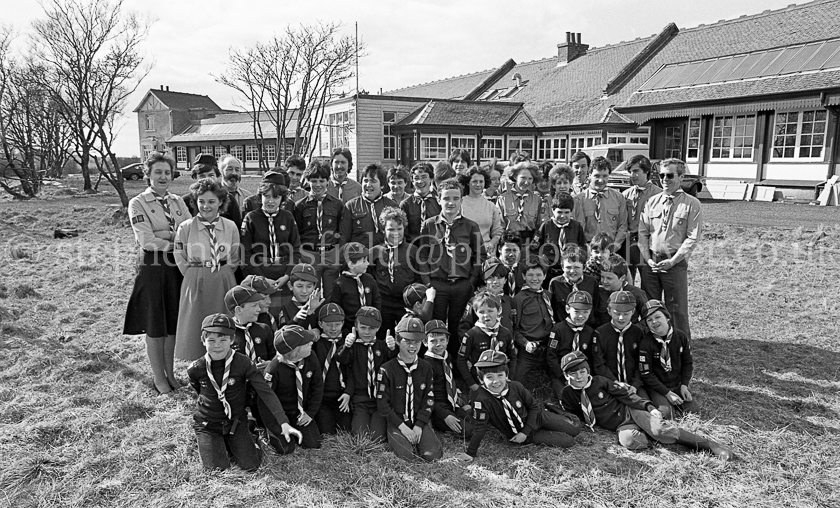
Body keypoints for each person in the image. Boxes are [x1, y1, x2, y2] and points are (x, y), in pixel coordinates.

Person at [559, 351, 735, 460]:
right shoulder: (568, 394)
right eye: (573, 374)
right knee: (630, 441)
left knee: (659, 430)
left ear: (588, 371)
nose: (579, 377)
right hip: (621, 425)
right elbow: (573, 414)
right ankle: (652, 433)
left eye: (582, 371)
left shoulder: (600, 382)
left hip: (631, 411)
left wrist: (649, 407)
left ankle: (708, 445)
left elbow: (627, 395)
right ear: (567, 376)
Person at [187, 313, 302, 471]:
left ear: (232, 340)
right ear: (203, 340)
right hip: (208, 423)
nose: (217, 346)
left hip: (236, 420)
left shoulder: (243, 363)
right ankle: (213, 441)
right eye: (211, 340)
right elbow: (198, 389)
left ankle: (249, 431)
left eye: (223, 340)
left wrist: (283, 422)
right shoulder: (196, 368)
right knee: (217, 469)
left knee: (250, 465)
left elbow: (265, 392)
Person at [124, 152, 191, 394]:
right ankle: (158, 377)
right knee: (155, 323)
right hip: (152, 266)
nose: (163, 177)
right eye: (157, 172)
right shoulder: (138, 203)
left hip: (176, 266)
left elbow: (189, 230)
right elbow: (146, 240)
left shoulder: (178, 201)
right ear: (148, 175)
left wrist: (165, 235)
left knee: (172, 322)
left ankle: (170, 374)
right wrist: (173, 240)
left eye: (167, 172)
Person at [456, 350, 580, 460]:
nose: (496, 381)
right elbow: (480, 428)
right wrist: (471, 453)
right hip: (524, 434)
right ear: (481, 380)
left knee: (575, 428)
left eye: (500, 375)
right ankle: (547, 428)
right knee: (569, 441)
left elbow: (534, 407)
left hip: (538, 417)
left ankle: (555, 410)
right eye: (490, 377)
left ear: (506, 375)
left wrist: (525, 431)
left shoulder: (516, 387)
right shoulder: (481, 400)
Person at [174, 178, 240, 361]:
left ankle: (224, 360)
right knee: (196, 321)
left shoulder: (230, 226)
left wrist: (225, 271)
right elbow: (179, 254)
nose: (206, 206)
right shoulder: (186, 227)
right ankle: (198, 362)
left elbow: (235, 253)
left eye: (211, 201)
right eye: (201, 201)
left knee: (222, 320)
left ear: (220, 202)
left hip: (223, 277)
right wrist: (191, 273)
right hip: (196, 277)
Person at [638, 158, 702, 340]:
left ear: (681, 177)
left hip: (675, 262)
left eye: (670, 175)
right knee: (650, 306)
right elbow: (643, 233)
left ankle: (680, 345)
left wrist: (673, 261)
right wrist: (648, 259)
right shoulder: (652, 202)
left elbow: (692, 237)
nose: (664, 179)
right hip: (651, 262)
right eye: (662, 175)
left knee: (676, 309)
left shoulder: (691, 204)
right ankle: (653, 343)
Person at [418, 178, 485, 348]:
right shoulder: (429, 225)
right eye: (446, 198)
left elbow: (479, 255)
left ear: (461, 200)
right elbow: (423, 255)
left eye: (456, 198)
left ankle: (456, 363)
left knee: (458, 325)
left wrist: (471, 282)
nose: (451, 203)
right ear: (439, 200)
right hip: (437, 284)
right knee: (437, 325)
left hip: (461, 284)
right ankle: (438, 362)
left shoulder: (470, 226)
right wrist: (427, 284)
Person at [377, 315, 443, 462]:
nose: (413, 346)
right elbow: (383, 405)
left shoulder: (426, 368)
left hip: (418, 420)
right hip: (397, 422)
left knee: (432, 455)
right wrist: (403, 427)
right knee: (406, 456)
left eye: (417, 342)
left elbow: (429, 399)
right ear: (398, 340)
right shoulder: (387, 369)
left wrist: (419, 425)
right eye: (407, 341)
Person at [259, 325, 324, 453]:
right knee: (285, 449)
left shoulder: (311, 357)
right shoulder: (274, 369)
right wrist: (277, 425)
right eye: (306, 343)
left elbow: (317, 386)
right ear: (295, 350)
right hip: (280, 416)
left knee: (313, 444)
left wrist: (310, 413)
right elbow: (265, 402)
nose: (311, 343)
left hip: (300, 412)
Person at [336, 307, 397, 441]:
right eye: (363, 327)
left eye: (371, 328)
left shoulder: (381, 346)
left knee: (378, 437)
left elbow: (393, 363)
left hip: (379, 401)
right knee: (360, 436)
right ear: (356, 327)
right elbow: (341, 359)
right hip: (360, 401)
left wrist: (392, 348)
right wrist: (346, 346)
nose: (367, 332)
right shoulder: (353, 347)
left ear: (378, 327)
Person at [369, 207, 430, 340]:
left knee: (406, 337)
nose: (395, 233)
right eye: (391, 229)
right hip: (383, 302)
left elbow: (420, 276)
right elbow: (369, 277)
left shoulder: (413, 251)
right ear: (383, 229)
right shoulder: (374, 252)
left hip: (406, 304)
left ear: (404, 228)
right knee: (384, 337)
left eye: (399, 229)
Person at [240, 173, 300, 293]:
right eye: (266, 196)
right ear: (260, 196)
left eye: (276, 197)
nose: (270, 201)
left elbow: (296, 248)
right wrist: (261, 279)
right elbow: (244, 253)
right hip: (259, 274)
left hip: (284, 274)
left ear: (282, 198)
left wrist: (288, 275)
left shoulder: (288, 217)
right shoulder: (251, 218)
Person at [294, 160, 344, 301]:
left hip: (330, 253)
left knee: (331, 293)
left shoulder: (337, 204)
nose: (318, 185)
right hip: (309, 253)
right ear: (308, 181)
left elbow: (341, 230)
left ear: (328, 181)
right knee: (311, 293)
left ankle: (327, 320)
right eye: (314, 181)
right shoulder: (300, 206)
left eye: (322, 181)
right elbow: (297, 233)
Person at [638, 300, 697, 418]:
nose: (654, 322)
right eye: (649, 320)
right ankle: (658, 401)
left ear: (667, 317)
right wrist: (667, 393)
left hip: (677, 384)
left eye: (658, 317)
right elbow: (646, 374)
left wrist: (684, 385)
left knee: (693, 411)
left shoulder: (681, 337)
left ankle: (676, 400)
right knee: (667, 415)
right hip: (657, 388)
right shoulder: (646, 343)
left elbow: (687, 363)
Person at [545, 291, 605, 400]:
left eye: (586, 312)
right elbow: (551, 357)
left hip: (582, 375)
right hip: (562, 374)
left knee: (591, 399)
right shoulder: (558, 330)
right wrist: (563, 376)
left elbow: (590, 358)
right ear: (568, 309)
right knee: (566, 398)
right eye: (576, 311)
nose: (581, 316)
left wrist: (586, 376)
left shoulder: (590, 332)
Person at [456, 291, 517, 393]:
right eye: (481, 312)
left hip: (502, 382)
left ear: (499, 310)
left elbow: (513, 357)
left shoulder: (506, 333)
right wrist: (472, 384)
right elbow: (461, 360)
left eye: (490, 311)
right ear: (475, 312)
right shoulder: (471, 335)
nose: (486, 315)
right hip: (480, 383)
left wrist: (508, 378)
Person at [425, 319, 474, 439]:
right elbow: (426, 396)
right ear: (425, 342)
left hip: (451, 405)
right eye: (433, 341)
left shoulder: (447, 357)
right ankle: (440, 426)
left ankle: (456, 416)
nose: (438, 344)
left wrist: (461, 402)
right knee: (470, 432)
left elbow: (450, 382)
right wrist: (445, 415)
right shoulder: (426, 365)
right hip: (437, 409)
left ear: (447, 341)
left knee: (477, 422)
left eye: (442, 340)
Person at [593, 291, 646, 397]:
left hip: (634, 385)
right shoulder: (600, 333)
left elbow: (641, 362)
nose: (621, 318)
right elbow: (599, 364)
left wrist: (635, 385)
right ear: (609, 311)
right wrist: (615, 382)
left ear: (633, 311)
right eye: (617, 313)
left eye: (626, 314)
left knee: (648, 408)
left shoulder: (638, 333)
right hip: (609, 383)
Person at [511, 260, 554, 383]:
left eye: (539, 275)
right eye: (530, 275)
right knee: (516, 381)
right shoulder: (518, 300)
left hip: (548, 347)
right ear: (524, 276)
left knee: (558, 375)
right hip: (528, 349)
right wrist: (525, 343)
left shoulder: (548, 295)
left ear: (545, 276)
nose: (535, 279)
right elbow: (514, 328)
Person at [312, 303, 352, 435]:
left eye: (337, 324)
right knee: (327, 432)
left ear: (343, 323)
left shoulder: (347, 343)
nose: (334, 328)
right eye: (329, 325)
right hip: (321, 397)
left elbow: (353, 371)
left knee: (345, 431)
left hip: (341, 396)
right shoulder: (315, 344)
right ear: (320, 324)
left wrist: (348, 392)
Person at [621, 155, 661, 282]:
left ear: (646, 170)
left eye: (636, 171)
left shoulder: (658, 195)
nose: (633, 175)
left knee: (649, 282)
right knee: (626, 280)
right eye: (630, 172)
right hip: (627, 243)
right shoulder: (626, 194)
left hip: (647, 244)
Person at [339, 163, 397, 248]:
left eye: (373, 181)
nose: (368, 185)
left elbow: (397, 236)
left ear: (382, 185)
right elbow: (344, 238)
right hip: (359, 257)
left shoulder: (392, 206)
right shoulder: (350, 206)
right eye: (365, 180)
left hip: (384, 256)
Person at [575, 156, 627, 250]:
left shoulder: (619, 198)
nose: (600, 180)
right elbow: (578, 229)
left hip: (611, 250)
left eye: (605, 176)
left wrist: (614, 247)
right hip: (588, 251)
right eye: (597, 176)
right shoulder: (579, 200)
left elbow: (623, 225)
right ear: (589, 174)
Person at [532, 192, 586, 283]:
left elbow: (582, 248)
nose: (563, 216)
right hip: (550, 272)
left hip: (570, 272)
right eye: (559, 212)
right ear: (553, 210)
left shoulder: (577, 227)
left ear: (571, 212)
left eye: (566, 212)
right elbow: (535, 247)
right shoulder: (546, 226)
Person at [330, 242, 381, 337]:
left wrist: (376, 320)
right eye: (364, 260)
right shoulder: (339, 284)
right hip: (350, 330)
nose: (368, 263)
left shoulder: (369, 279)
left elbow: (377, 300)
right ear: (351, 264)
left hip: (370, 328)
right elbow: (337, 307)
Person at [224, 286, 275, 372]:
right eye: (254, 305)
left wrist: (270, 364)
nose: (259, 309)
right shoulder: (226, 332)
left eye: (258, 305)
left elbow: (275, 355)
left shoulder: (264, 329)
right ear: (239, 310)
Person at [183, 154, 242, 227]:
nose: (207, 179)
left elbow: (237, 227)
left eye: (211, 175)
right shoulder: (185, 201)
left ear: (217, 177)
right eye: (202, 176)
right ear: (195, 177)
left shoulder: (229, 199)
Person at [458, 259, 514, 336]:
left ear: (505, 280)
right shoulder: (475, 301)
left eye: (500, 277)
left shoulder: (510, 301)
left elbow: (516, 327)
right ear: (485, 280)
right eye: (491, 277)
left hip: (505, 345)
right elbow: (463, 328)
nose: (495, 281)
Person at [548, 244, 600, 326]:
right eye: (568, 267)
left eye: (576, 267)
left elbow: (596, 307)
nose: (572, 271)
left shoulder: (592, 282)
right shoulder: (555, 283)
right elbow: (551, 309)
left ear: (584, 267)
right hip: (563, 329)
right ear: (562, 267)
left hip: (587, 328)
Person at [459, 165, 503, 255]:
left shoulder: (491, 206)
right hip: (464, 252)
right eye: (474, 181)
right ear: (468, 182)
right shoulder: (460, 203)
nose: (478, 184)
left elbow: (497, 231)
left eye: (481, 181)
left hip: (486, 253)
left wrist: (491, 244)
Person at [496, 161, 545, 243]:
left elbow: (539, 225)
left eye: (530, 179)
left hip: (529, 243)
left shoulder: (537, 200)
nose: (526, 182)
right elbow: (499, 225)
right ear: (515, 177)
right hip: (509, 241)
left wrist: (535, 242)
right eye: (523, 178)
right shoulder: (503, 199)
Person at [594, 254, 648, 327]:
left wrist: (635, 329)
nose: (604, 281)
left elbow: (648, 317)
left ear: (622, 278)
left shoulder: (636, 293)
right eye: (602, 277)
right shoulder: (598, 292)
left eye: (609, 278)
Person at [278, 263, 325, 333]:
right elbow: (283, 335)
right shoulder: (286, 308)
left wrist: (319, 330)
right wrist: (295, 320)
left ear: (314, 287)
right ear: (290, 286)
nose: (304, 291)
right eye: (299, 286)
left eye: (309, 286)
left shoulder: (320, 305)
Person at [400, 162, 440, 243]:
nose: (420, 181)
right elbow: (403, 231)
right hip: (413, 247)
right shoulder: (405, 204)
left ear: (431, 179)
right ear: (412, 181)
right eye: (416, 178)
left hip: (434, 247)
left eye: (424, 177)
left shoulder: (439, 202)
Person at [219, 155, 251, 225]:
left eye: (237, 170)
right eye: (229, 169)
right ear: (221, 171)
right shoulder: (214, 196)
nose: (234, 173)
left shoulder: (248, 197)